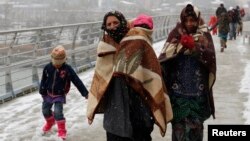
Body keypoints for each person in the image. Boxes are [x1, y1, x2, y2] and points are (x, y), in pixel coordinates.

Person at [87, 12, 173, 141]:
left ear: (123, 23)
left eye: (115, 23)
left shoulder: (138, 40)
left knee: (141, 135)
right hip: (115, 110)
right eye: (108, 24)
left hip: (139, 107)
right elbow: (101, 77)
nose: (112, 27)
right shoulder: (104, 46)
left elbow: (151, 69)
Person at [158, 4, 216, 141]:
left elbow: (211, 59)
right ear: (182, 20)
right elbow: (164, 57)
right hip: (178, 95)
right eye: (187, 20)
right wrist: (180, 48)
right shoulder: (175, 33)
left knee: (196, 130)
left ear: (198, 20)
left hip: (198, 94)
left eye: (193, 20)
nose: (190, 23)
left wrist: (195, 48)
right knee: (179, 131)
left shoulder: (204, 34)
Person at [39, 45, 88, 140]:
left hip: (60, 94)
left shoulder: (67, 69)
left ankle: (62, 130)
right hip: (48, 93)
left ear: (64, 60)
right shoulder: (47, 67)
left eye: (60, 62)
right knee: (45, 111)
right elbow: (43, 80)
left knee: (58, 112)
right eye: (55, 61)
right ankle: (50, 122)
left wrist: (85, 93)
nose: (57, 64)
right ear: (52, 59)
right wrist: (42, 91)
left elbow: (76, 81)